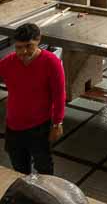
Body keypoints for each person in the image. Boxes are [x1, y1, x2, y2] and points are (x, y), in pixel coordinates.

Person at [0, 23, 65, 176]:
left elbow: (59, 94)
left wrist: (57, 123)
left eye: (28, 46)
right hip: (13, 126)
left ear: (38, 40)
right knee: (19, 169)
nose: (23, 52)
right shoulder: (8, 62)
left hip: (39, 126)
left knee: (44, 167)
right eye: (18, 47)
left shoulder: (51, 63)